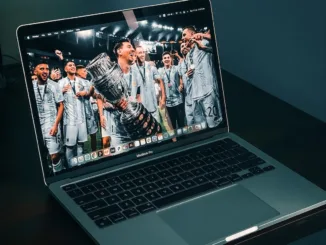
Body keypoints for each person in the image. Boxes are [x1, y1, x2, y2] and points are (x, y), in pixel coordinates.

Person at [182, 26, 222, 128]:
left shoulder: (203, 43)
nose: (182, 38)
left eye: (184, 35)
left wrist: (203, 35)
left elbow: (218, 40)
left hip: (207, 92)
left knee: (213, 125)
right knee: (202, 127)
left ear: (192, 34)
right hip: (195, 96)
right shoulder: (188, 55)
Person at [97, 39, 133, 148]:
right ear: (119, 51)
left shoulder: (137, 72)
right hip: (118, 129)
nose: (133, 49)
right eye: (129, 46)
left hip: (135, 126)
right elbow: (98, 96)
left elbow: (138, 96)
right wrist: (104, 112)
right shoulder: (107, 75)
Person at [32, 60, 64, 172]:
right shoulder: (31, 86)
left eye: (47, 69)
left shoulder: (54, 85)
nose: (45, 71)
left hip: (51, 124)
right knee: (42, 154)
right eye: (42, 69)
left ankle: (58, 174)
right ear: (35, 71)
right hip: (37, 126)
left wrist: (56, 125)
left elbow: (61, 106)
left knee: (54, 156)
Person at [58, 61, 89, 167]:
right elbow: (56, 99)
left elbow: (89, 91)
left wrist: (85, 93)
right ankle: (71, 167)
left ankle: (80, 165)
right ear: (65, 69)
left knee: (81, 144)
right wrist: (61, 91)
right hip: (69, 121)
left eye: (74, 65)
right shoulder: (61, 82)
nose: (73, 67)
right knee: (70, 147)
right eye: (70, 65)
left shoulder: (81, 81)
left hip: (81, 119)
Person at [133, 46, 166, 122]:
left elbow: (160, 81)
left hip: (153, 108)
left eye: (143, 52)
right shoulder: (132, 69)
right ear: (135, 55)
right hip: (141, 112)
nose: (142, 55)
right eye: (140, 53)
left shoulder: (151, 66)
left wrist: (163, 97)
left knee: (157, 131)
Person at [158, 51, 185, 129]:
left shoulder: (176, 68)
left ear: (171, 59)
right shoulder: (159, 71)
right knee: (172, 125)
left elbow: (181, 76)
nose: (166, 59)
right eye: (164, 58)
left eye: (168, 57)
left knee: (181, 124)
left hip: (178, 101)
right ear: (162, 60)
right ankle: (176, 140)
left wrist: (181, 84)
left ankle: (183, 139)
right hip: (168, 103)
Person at [76, 65, 98, 152]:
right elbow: (78, 93)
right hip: (79, 114)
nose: (86, 73)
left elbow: (92, 95)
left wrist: (92, 90)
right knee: (80, 138)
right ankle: (81, 156)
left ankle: (95, 152)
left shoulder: (88, 82)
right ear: (78, 72)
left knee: (93, 134)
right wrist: (87, 92)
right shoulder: (75, 81)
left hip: (89, 112)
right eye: (84, 71)